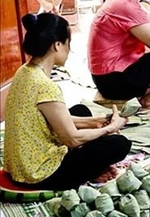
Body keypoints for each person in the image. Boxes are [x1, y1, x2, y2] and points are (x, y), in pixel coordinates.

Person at [3, 13, 131, 190]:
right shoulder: (45, 86)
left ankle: (93, 167)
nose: (69, 50)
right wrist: (109, 128)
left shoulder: (24, 71)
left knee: (81, 110)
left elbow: (52, 118)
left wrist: (95, 122)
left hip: (19, 167)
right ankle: (91, 171)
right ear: (57, 45)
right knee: (119, 145)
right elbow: (72, 139)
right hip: (39, 175)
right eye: (67, 43)